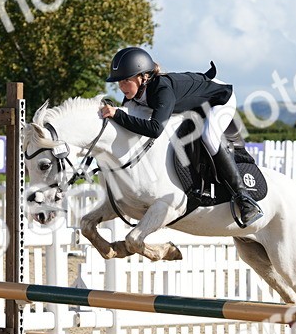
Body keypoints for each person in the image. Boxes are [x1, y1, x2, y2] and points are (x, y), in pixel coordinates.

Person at [98, 46, 263, 226]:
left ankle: (244, 198)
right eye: (118, 83)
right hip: (194, 101)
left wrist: (118, 115)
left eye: (126, 81)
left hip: (219, 99)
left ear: (143, 77)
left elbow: (154, 129)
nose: (121, 87)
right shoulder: (134, 94)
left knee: (209, 137)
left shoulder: (162, 90)